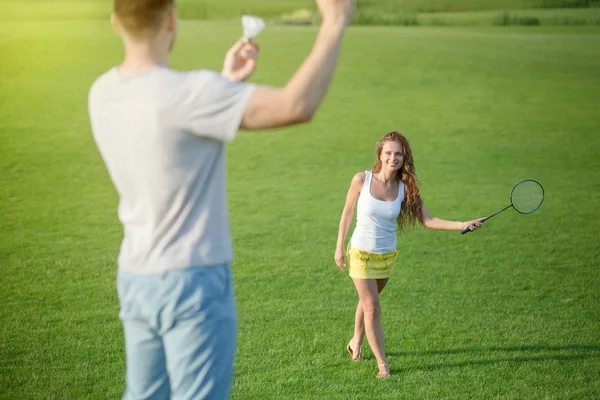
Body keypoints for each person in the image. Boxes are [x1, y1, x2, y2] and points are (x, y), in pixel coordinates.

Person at [88, 0, 355, 398]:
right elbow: (296, 105)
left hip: (135, 277)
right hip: (192, 280)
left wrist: (225, 81)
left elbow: (167, 124)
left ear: (115, 23)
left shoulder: (103, 91)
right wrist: (335, 22)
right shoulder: (193, 92)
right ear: (172, 20)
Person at [334, 131, 484, 379]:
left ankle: (355, 341)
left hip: (386, 257)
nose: (393, 158)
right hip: (360, 252)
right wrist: (339, 246)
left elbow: (429, 220)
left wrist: (462, 224)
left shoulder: (405, 189)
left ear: (404, 158)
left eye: (398, 154)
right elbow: (347, 213)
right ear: (380, 155)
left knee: (367, 301)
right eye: (389, 153)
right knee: (372, 307)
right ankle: (383, 364)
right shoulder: (362, 179)